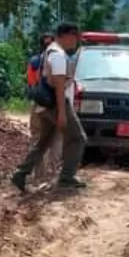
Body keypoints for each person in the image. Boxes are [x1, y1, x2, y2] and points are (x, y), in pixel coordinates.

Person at [12, 22, 87, 192]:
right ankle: (67, 177)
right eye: (76, 37)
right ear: (68, 35)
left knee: (44, 142)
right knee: (78, 138)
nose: (76, 42)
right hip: (55, 104)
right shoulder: (58, 55)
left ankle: (21, 173)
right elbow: (59, 86)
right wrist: (62, 113)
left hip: (45, 105)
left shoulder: (51, 51)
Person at [26, 32, 59, 184]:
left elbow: (31, 84)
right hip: (55, 106)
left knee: (37, 138)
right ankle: (52, 175)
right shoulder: (60, 61)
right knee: (55, 139)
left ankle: (38, 175)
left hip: (39, 104)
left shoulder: (34, 61)